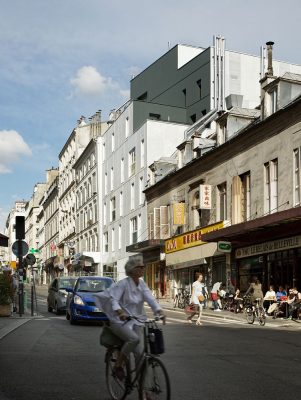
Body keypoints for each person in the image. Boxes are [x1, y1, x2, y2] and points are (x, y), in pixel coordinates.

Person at [94, 255, 165, 381]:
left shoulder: (142, 284)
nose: (143, 269)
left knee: (140, 355)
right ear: (132, 269)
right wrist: (120, 312)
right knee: (134, 339)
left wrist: (159, 311)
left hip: (137, 320)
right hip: (119, 320)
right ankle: (118, 365)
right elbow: (113, 300)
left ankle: (143, 388)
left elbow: (150, 298)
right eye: (140, 267)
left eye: (144, 266)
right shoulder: (123, 284)